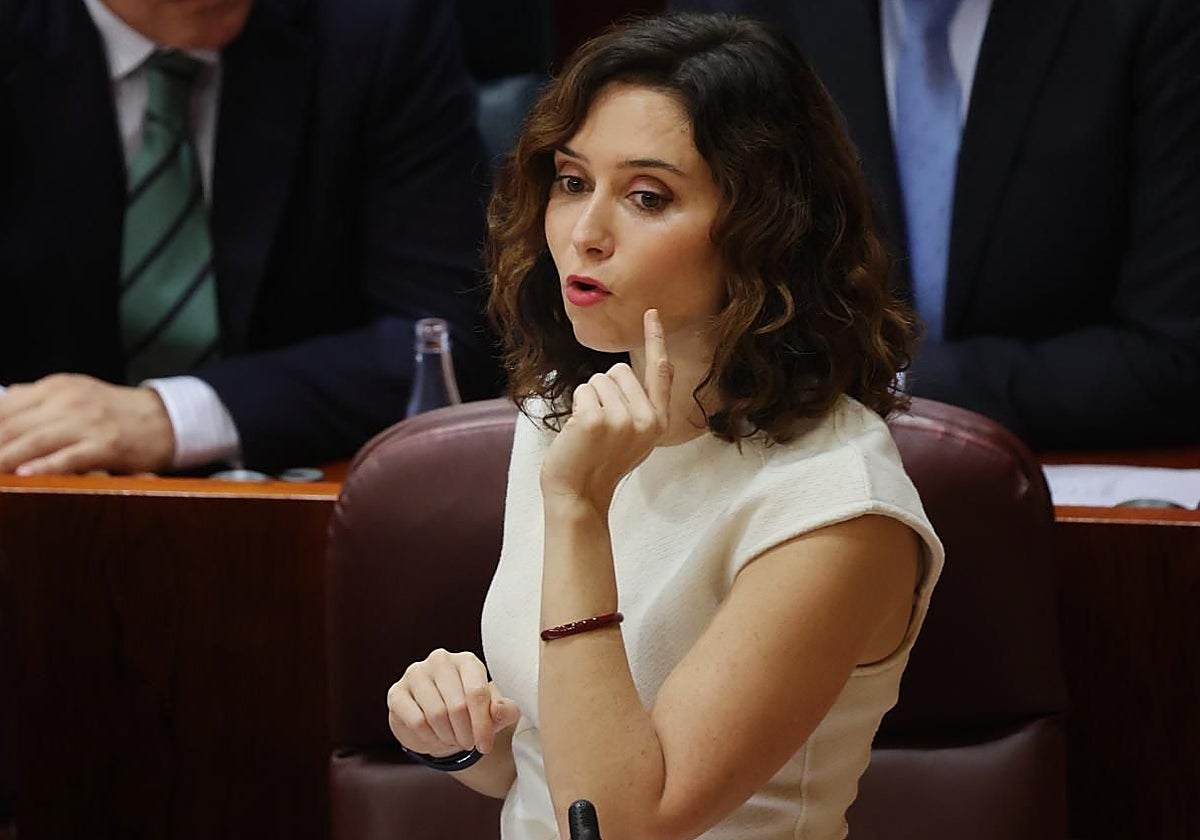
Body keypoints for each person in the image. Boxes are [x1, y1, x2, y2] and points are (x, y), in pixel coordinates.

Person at [386, 14, 944, 840]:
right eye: (573, 182)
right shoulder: (563, 412)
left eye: (647, 197)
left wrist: (579, 509)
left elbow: (616, 824)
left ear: (767, 227)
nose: (584, 233)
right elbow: (549, 769)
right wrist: (463, 739)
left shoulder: (837, 508)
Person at [670, 0, 1200, 449]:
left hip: (1088, 475)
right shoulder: (732, 12)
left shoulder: (1155, 17)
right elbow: (679, 317)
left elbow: (1177, 354)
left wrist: (884, 380)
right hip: (777, 466)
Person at [0, 0, 496, 475]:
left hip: (296, 492)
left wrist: (169, 417)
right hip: (31, 487)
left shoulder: (376, 24)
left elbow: (443, 341)